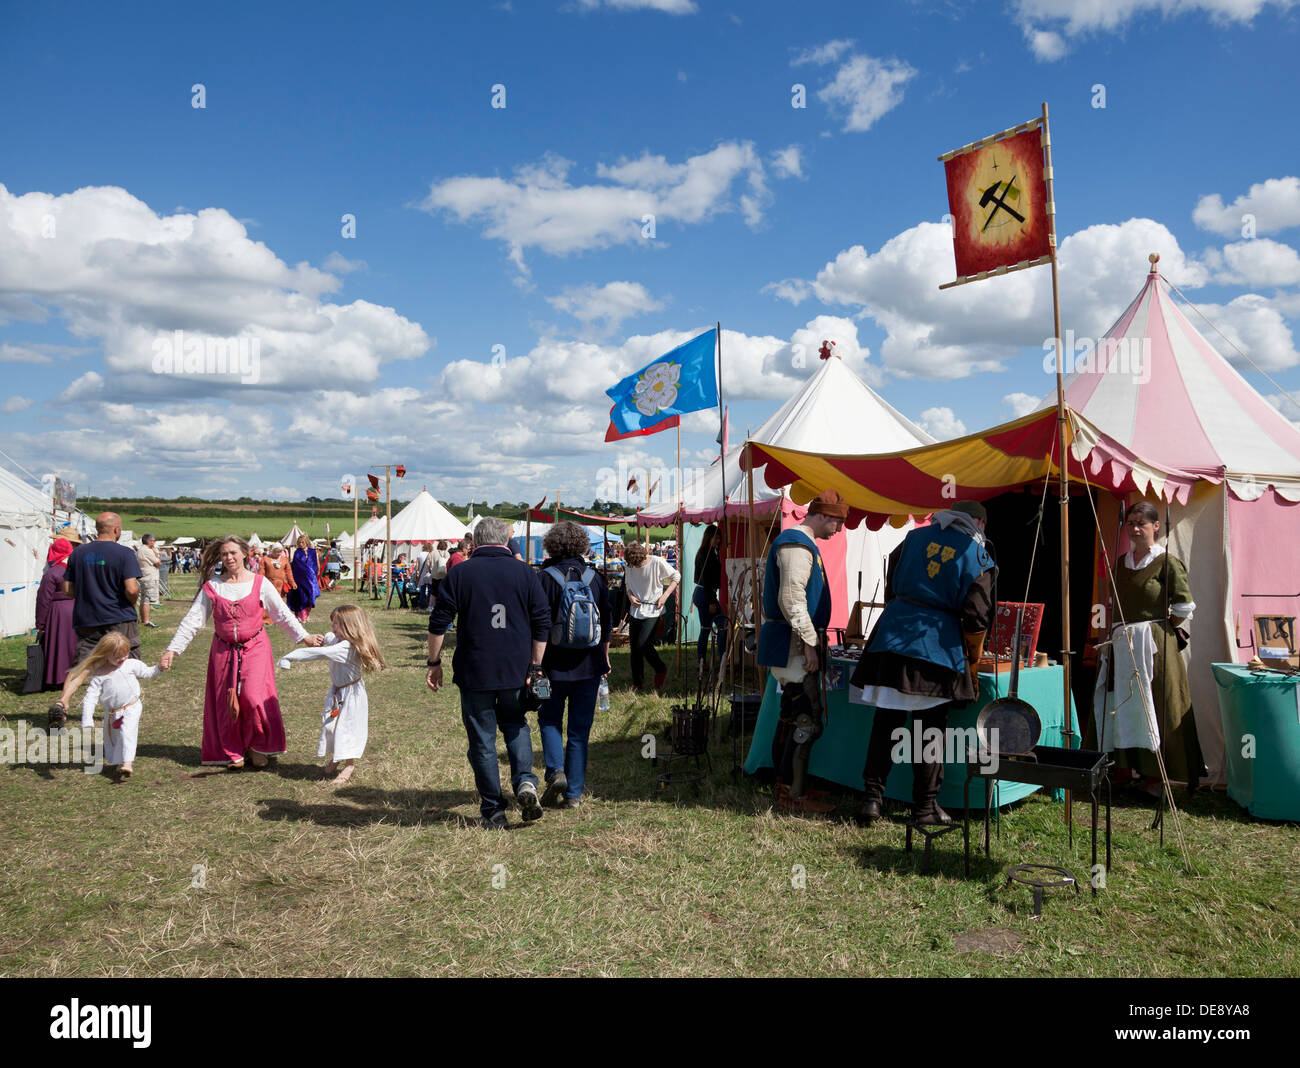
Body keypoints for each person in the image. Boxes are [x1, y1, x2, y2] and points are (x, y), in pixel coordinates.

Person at [852, 500, 996, 827]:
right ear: (978, 522)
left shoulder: (914, 538)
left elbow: (892, 579)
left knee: (886, 722)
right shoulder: (977, 554)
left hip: (892, 636)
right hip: (935, 645)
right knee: (928, 729)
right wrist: (971, 656)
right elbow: (975, 616)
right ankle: (925, 806)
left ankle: (872, 799)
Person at [426, 517, 551, 828]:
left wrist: (434, 662)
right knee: (516, 725)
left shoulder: (461, 572)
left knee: (482, 740)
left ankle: (494, 810)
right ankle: (524, 782)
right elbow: (542, 623)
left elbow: (439, 622)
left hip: (475, 670)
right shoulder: (525, 572)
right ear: (506, 540)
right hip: (515, 669)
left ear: (474, 543)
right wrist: (536, 666)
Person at [160, 536, 323, 769]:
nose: (229, 558)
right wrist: (172, 650)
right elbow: (192, 621)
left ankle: (258, 746)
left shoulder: (260, 583)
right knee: (226, 701)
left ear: (245, 554)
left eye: (233, 553)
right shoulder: (213, 586)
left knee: (253, 697)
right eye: (225, 554)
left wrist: (303, 636)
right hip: (223, 650)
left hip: (255, 646)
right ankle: (233, 749)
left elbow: (282, 614)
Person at [1093, 500, 1201, 794]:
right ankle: (1124, 769)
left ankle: (1157, 775)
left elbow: (1183, 607)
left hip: (1154, 645)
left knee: (1157, 704)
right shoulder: (1120, 562)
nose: (1136, 529)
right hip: (1121, 642)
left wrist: (1156, 631)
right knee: (1122, 703)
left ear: (1156, 526)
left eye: (1142, 523)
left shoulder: (1167, 561)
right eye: (1131, 523)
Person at [757, 490, 848, 810]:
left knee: (792, 717)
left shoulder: (802, 543)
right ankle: (793, 794)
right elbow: (792, 600)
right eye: (837, 521)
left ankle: (787, 785)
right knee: (806, 721)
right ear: (822, 516)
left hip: (793, 644)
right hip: (793, 646)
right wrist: (810, 643)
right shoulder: (796, 544)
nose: (839, 529)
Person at [537, 522, 611, 809]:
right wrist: (604, 657)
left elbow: (538, 625)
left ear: (551, 544)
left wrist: (534, 664)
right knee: (580, 730)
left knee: (549, 720)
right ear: (582, 544)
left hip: (551, 665)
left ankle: (556, 770)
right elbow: (606, 622)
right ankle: (574, 795)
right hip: (589, 664)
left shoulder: (544, 578)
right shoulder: (596, 577)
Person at [48, 513, 142, 731]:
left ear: (97, 529)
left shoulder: (78, 553)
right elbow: (131, 588)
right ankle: (123, 707)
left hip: (87, 617)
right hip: (119, 617)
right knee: (124, 661)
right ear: (117, 529)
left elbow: (67, 590)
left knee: (82, 664)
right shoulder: (125, 553)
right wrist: (133, 600)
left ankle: (63, 702)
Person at [279, 603, 386, 784]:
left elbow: (315, 653)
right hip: (338, 692)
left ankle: (349, 764)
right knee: (332, 726)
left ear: (347, 627)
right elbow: (329, 638)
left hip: (351, 695)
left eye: (335, 624)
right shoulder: (338, 640)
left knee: (347, 728)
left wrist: (288, 657)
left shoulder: (345, 648)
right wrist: (323, 637)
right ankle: (337, 757)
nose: (332, 627)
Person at [76, 631, 161, 782]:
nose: (122, 659)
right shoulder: (99, 674)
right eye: (117, 657)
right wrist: (87, 719)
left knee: (126, 733)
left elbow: (147, 672)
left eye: (125, 654)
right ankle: (120, 762)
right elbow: (90, 698)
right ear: (105, 655)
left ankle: (128, 763)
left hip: (132, 707)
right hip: (112, 713)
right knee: (113, 740)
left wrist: (159, 667)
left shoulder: (131, 665)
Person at [622, 541, 680, 693]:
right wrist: (630, 597)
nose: (634, 566)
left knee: (643, 644)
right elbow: (628, 584)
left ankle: (660, 669)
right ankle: (638, 682)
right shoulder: (630, 565)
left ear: (641, 556)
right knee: (634, 648)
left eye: (636, 564)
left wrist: (665, 596)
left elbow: (676, 576)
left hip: (654, 610)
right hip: (636, 610)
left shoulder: (657, 562)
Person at [36, 537, 78, 689]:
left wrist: (40, 622)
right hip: (74, 609)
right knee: (71, 644)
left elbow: (43, 598)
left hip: (58, 611)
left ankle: (57, 677)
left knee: (58, 644)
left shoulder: (52, 573)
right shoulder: (75, 569)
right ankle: (73, 676)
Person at [692, 524, 727, 670]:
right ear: (709, 537)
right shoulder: (707, 554)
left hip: (702, 593)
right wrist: (712, 601)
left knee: (706, 628)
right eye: (715, 538)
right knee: (722, 626)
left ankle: (702, 662)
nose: (718, 541)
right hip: (706, 594)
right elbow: (706, 580)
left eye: (719, 538)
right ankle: (722, 661)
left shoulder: (706, 552)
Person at [287, 535, 320, 622]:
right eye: (299, 543)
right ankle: (301, 616)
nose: (301, 544)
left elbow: (316, 563)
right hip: (300, 578)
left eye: (303, 542)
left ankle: (306, 615)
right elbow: (296, 566)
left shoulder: (313, 552)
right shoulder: (297, 552)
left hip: (311, 578)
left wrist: (316, 573)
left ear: (306, 542)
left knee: (311, 596)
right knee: (301, 596)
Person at [136, 533, 162, 628]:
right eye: (153, 541)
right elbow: (158, 562)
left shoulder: (140, 550)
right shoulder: (147, 550)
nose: (154, 543)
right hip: (149, 577)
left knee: (144, 599)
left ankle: (144, 620)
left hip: (145, 576)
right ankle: (146, 621)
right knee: (147, 600)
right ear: (149, 541)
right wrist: (155, 552)